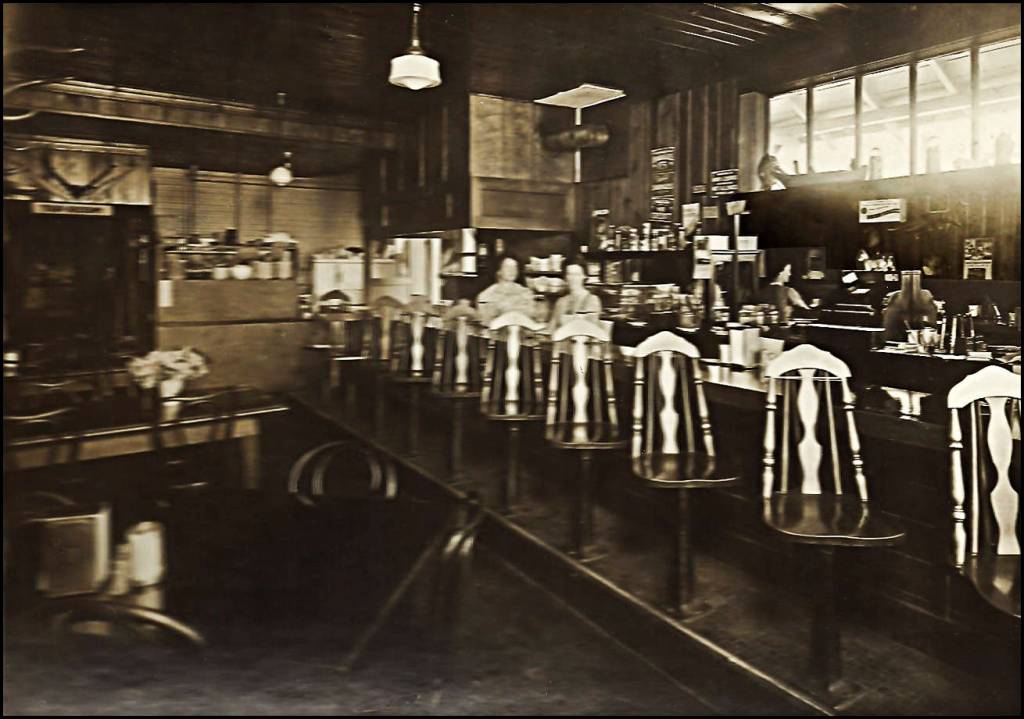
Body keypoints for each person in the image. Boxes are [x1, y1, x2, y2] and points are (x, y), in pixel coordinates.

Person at [475, 256, 535, 323]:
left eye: (514, 267)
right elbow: (485, 322)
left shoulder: (526, 293)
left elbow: (531, 316)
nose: (512, 270)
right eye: (507, 267)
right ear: (499, 271)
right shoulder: (486, 295)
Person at [882, 270, 938, 341]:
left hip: (919, 338)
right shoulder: (895, 298)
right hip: (897, 338)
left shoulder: (926, 296)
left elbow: (931, 325)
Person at [548, 263, 602, 332]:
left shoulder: (592, 300)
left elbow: (591, 331)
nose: (572, 278)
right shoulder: (561, 301)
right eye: (569, 274)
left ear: (584, 276)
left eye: (577, 274)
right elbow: (551, 329)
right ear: (565, 277)